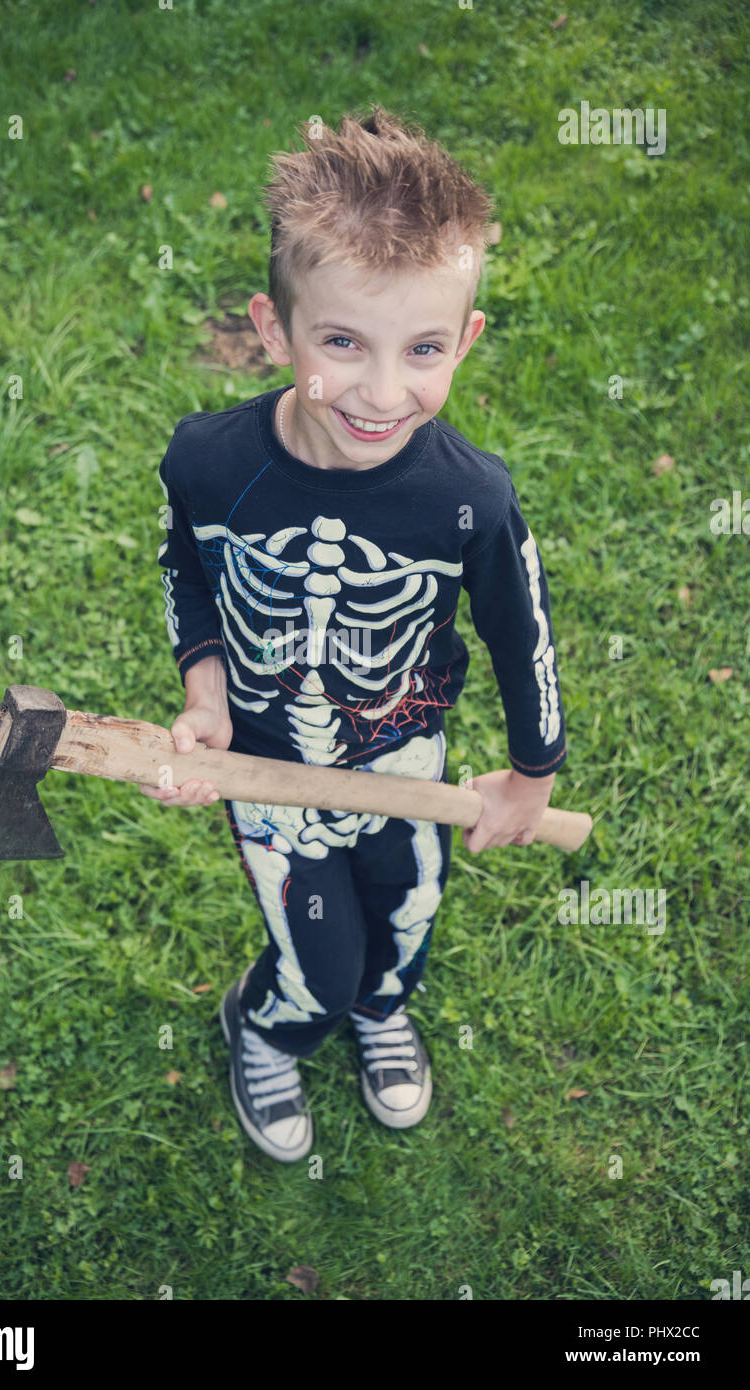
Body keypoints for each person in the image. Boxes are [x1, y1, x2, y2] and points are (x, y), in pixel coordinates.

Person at [140, 105, 568, 1163]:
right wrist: (207, 692)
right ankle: (271, 1025)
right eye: (341, 342)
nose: (383, 394)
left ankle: (383, 1012)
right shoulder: (205, 463)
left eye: (423, 349)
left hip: (407, 762)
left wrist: (531, 772)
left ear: (465, 339)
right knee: (317, 966)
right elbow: (186, 574)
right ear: (272, 329)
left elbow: (525, 639)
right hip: (271, 780)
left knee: (407, 926)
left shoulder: (470, 498)